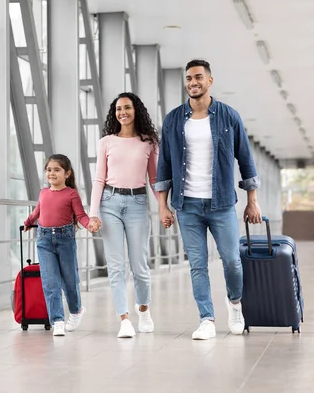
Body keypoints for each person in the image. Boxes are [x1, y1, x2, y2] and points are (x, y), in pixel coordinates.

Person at [154, 59, 262, 340]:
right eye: (188, 78)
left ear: (210, 81)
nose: (193, 82)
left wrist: (252, 200)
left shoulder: (229, 116)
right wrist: (162, 206)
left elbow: (246, 160)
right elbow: (164, 165)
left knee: (231, 260)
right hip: (187, 205)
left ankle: (235, 303)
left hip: (222, 203)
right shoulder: (174, 119)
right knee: (198, 264)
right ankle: (207, 319)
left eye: (198, 77)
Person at [87, 92, 161, 338]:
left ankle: (143, 309)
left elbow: (154, 179)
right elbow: (99, 178)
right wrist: (93, 214)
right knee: (117, 267)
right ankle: (124, 320)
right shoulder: (106, 141)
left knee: (140, 266)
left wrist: (163, 206)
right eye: (118, 109)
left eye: (127, 108)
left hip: (138, 203)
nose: (123, 113)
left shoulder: (148, 142)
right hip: (109, 203)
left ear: (136, 110)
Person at [24, 154, 96, 336]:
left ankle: (76, 310)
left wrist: (90, 224)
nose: (52, 173)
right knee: (50, 282)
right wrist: (28, 222)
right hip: (44, 241)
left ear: (67, 173)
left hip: (65, 240)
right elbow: (37, 212)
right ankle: (57, 320)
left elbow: (80, 216)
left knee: (70, 280)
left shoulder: (71, 194)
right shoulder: (43, 193)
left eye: (57, 170)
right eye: (49, 170)